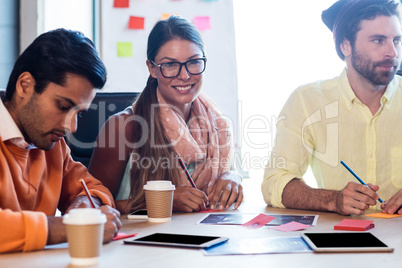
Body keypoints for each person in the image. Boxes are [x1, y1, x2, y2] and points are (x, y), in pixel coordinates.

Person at [89, 16, 243, 214]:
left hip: (199, 235)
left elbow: (223, 180)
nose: (185, 75)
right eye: (170, 65)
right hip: (137, 242)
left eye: (194, 62)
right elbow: (92, 206)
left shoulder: (217, 124)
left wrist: (232, 176)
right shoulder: (124, 126)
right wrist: (160, 201)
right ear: (152, 69)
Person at [262, 0, 402, 216]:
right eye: (378, 41)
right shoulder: (307, 100)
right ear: (345, 45)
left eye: (396, 40)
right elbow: (275, 182)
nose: (392, 53)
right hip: (339, 241)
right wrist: (332, 199)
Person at [0, 28, 122, 253]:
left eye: (79, 113)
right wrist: (72, 227)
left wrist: (86, 205)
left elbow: (93, 189)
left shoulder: (53, 146)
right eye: (63, 107)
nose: (71, 127)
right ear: (25, 85)